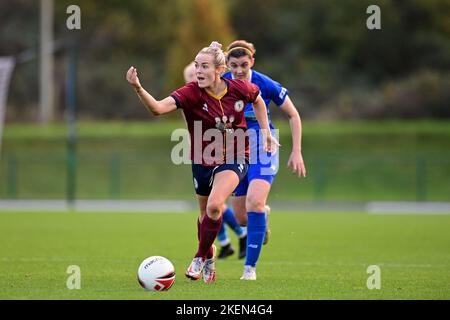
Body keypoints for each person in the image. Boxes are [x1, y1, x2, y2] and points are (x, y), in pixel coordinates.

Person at [126, 41, 278, 283]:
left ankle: (198, 257)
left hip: (235, 157)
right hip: (202, 161)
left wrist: (266, 132)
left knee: (215, 206)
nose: (198, 71)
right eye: (196, 66)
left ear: (220, 69)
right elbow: (157, 108)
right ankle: (209, 257)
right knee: (204, 215)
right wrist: (137, 88)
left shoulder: (239, 88)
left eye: (204, 66)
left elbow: (258, 100)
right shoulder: (191, 92)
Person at [223, 40, 307, 280]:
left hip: (264, 145)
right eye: (234, 65)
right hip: (235, 149)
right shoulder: (222, 82)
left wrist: (297, 150)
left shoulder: (265, 83)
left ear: (252, 63)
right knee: (240, 217)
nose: (239, 70)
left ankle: (249, 270)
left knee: (255, 202)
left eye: (244, 65)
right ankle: (262, 215)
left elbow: (293, 114)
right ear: (227, 64)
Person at [184, 61, 248, 260]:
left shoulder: (223, 93)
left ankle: (228, 241)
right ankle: (226, 242)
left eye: (197, 75)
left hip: (226, 155)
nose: (194, 81)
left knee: (215, 205)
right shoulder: (191, 96)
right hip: (202, 156)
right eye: (190, 78)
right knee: (209, 208)